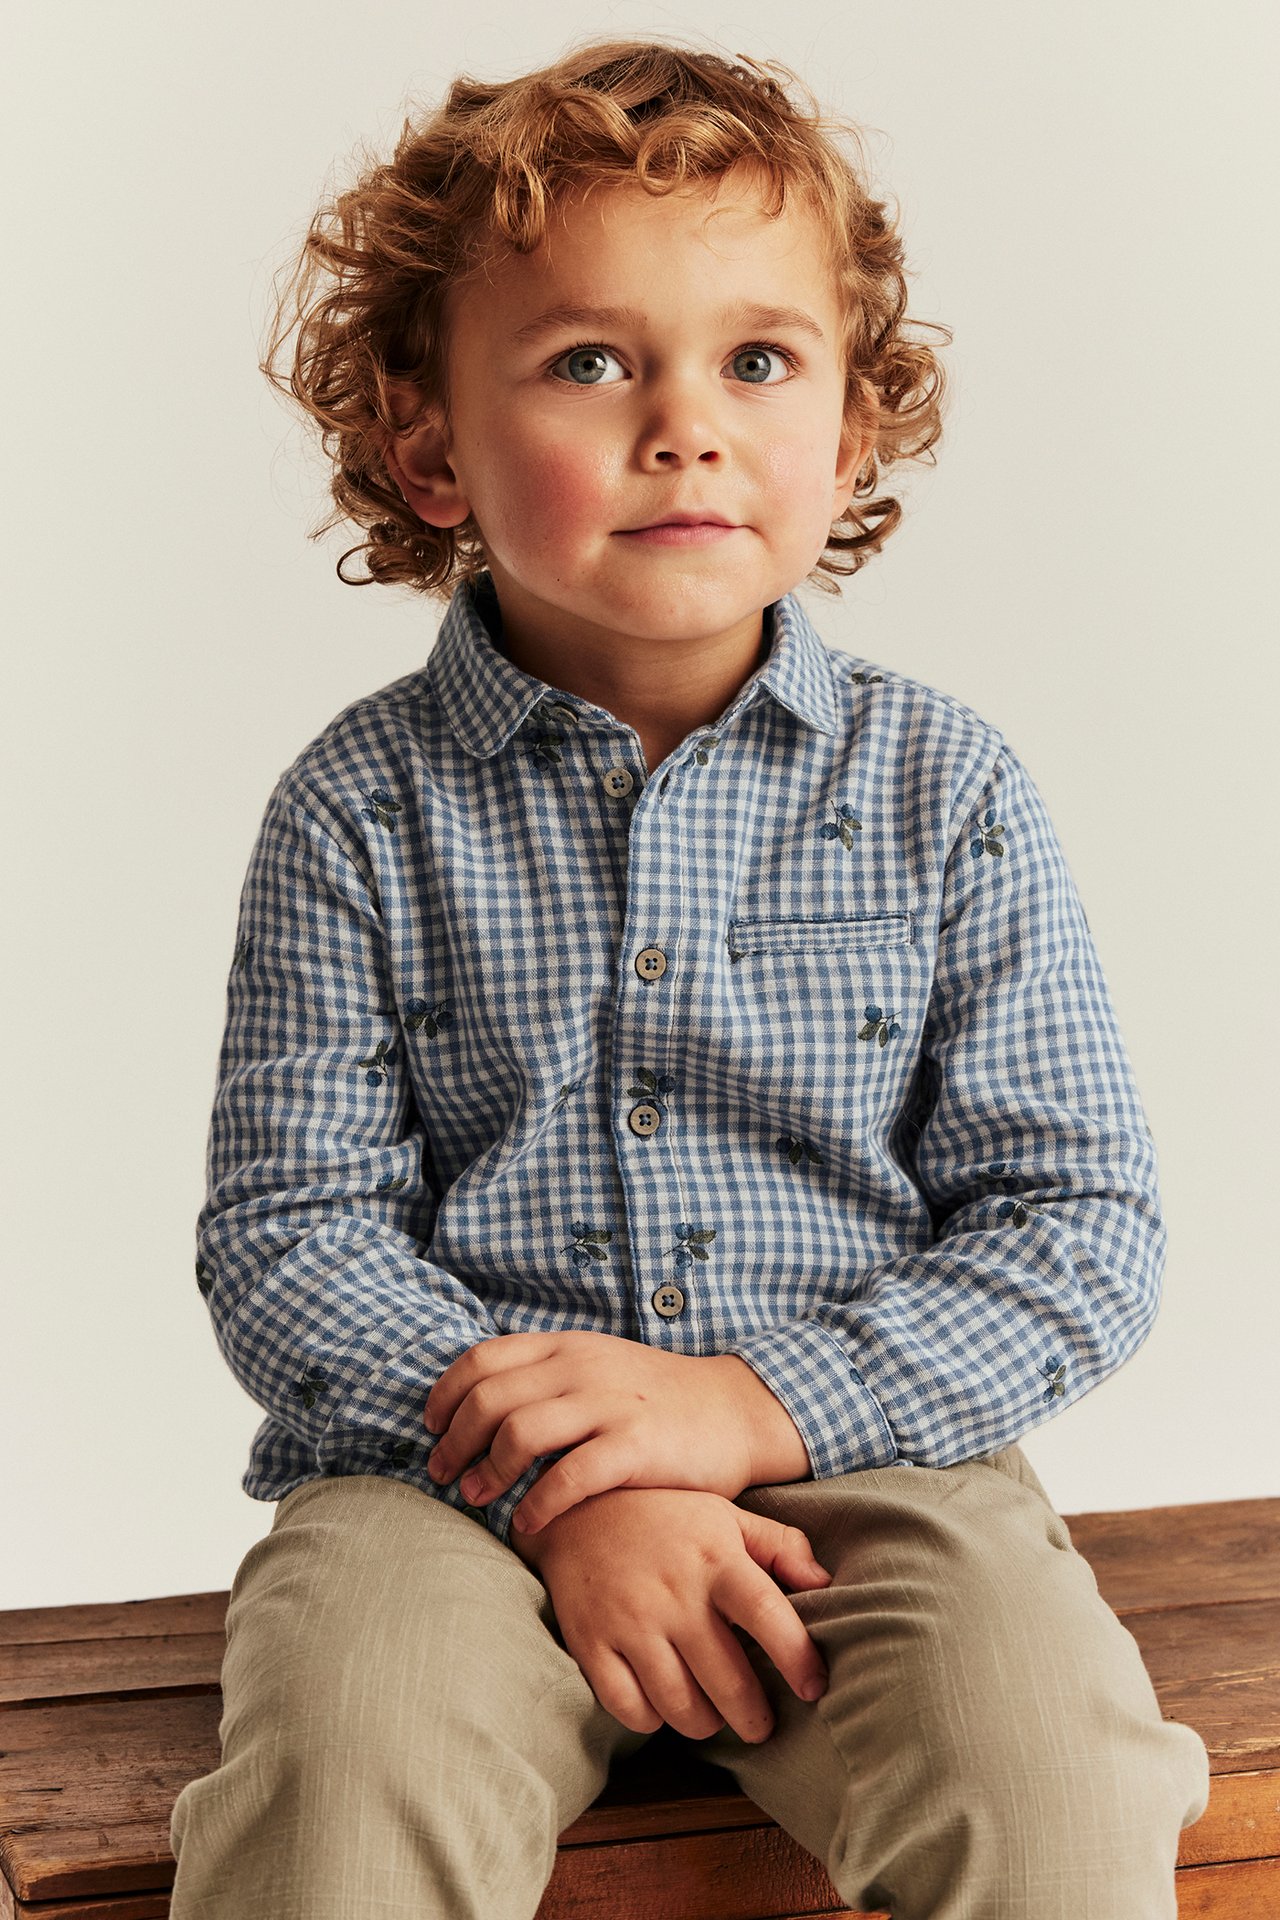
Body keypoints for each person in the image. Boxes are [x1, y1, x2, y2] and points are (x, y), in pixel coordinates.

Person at [168, 36, 1211, 1920]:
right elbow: (290, 1234)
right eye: (590, 361)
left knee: (1048, 1777)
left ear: (854, 427)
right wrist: (573, 1482)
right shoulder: (358, 808)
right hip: (437, 1487)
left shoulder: (945, 790)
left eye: (758, 360)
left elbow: (1076, 1224)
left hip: (875, 1467)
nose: (685, 425)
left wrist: (743, 1409)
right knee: (344, 1780)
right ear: (429, 445)